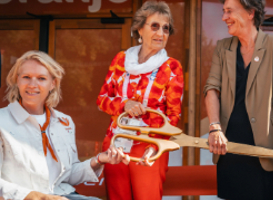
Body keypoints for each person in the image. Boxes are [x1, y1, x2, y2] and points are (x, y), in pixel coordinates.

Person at [0, 50, 130, 200]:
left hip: (63, 195)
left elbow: (69, 175)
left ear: (52, 84)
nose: (32, 84)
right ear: (17, 81)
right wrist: (41, 197)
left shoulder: (64, 121)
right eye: (26, 77)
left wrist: (100, 159)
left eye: (41, 78)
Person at [203, 0, 273, 199]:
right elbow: (211, 88)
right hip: (228, 146)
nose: (224, 18)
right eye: (223, 12)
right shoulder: (222, 47)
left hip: (263, 149)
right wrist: (215, 127)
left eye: (229, 11)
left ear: (250, 13)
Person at [96, 1, 184, 199]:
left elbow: (173, 116)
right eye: (154, 26)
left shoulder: (171, 67)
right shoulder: (120, 60)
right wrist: (124, 105)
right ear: (139, 29)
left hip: (148, 145)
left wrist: (155, 147)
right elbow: (102, 99)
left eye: (166, 28)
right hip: (116, 142)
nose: (161, 34)